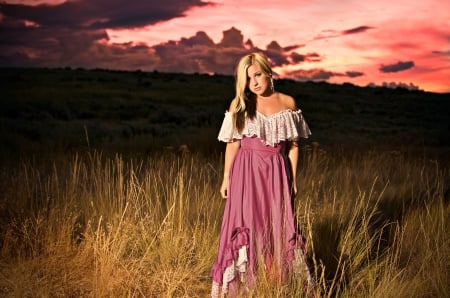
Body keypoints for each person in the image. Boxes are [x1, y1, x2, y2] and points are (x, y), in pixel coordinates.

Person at [210, 52, 313, 297]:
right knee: (247, 224)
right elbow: (232, 143)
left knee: (279, 223)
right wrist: (226, 177)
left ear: (268, 72)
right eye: (248, 79)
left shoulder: (288, 102)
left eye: (257, 75)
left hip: (277, 173)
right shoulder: (240, 105)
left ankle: (278, 282)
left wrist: (293, 179)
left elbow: (294, 146)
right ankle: (246, 286)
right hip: (245, 173)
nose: (254, 83)